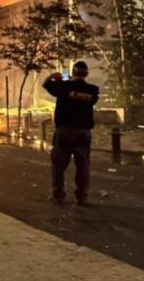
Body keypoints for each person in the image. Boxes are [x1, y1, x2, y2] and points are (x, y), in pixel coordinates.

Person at [43, 61, 99, 206]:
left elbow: (47, 83)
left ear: (73, 73)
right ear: (86, 74)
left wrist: (57, 76)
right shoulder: (92, 90)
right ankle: (82, 196)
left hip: (65, 131)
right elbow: (92, 100)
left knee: (58, 165)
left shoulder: (63, 87)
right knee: (83, 165)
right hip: (83, 132)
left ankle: (58, 195)